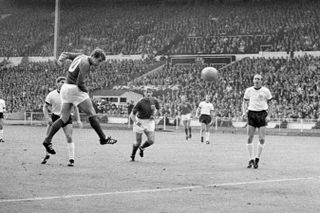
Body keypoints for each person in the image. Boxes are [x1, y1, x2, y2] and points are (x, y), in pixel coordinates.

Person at [42, 48, 117, 155]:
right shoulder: (86, 64)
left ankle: (47, 140)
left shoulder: (81, 56)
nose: (99, 64)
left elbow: (66, 53)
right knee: (92, 113)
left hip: (65, 88)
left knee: (63, 118)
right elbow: (80, 82)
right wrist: (86, 91)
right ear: (94, 57)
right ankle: (103, 138)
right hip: (73, 88)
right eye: (99, 61)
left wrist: (60, 60)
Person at [41, 76, 82, 167]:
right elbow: (45, 107)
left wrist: (78, 120)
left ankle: (71, 159)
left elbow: (75, 108)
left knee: (69, 136)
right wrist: (47, 118)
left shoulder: (70, 94)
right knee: (48, 137)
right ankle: (46, 155)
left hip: (66, 118)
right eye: (61, 82)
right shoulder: (51, 94)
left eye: (64, 82)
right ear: (57, 83)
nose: (62, 83)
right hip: (55, 117)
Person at [242, 74, 272, 169]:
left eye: (258, 79)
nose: (256, 80)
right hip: (251, 114)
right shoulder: (248, 90)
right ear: (253, 80)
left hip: (262, 114)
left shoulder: (266, 91)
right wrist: (244, 112)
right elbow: (244, 102)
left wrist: (269, 115)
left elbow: (271, 104)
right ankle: (251, 159)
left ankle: (257, 158)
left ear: (261, 81)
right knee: (249, 137)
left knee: (262, 138)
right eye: (255, 79)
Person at [129, 88, 160, 161]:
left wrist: (154, 116)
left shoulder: (154, 101)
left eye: (150, 92)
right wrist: (138, 124)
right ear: (144, 93)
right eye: (147, 92)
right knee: (138, 142)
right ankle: (132, 155)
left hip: (149, 122)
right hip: (140, 121)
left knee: (151, 141)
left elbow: (158, 109)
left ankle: (142, 147)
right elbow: (132, 116)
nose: (148, 94)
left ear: (152, 93)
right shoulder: (140, 102)